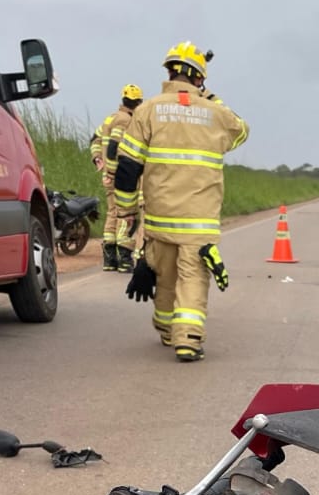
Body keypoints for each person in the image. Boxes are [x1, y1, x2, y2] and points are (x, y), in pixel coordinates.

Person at [113, 43, 248, 363]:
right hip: (199, 222)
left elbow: (128, 167)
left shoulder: (148, 109)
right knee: (193, 276)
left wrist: (127, 211)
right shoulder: (216, 113)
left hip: (160, 218)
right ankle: (187, 339)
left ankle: (164, 327)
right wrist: (210, 97)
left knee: (166, 275)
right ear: (200, 78)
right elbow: (241, 131)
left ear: (169, 71)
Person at [90, 83, 144, 272]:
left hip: (108, 175)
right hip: (120, 176)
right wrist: (113, 173)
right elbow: (113, 148)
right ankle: (125, 257)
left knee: (113, 213)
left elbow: (95, 140)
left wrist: (97, 159)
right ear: (138, 103)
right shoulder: (125, 120)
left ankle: (109, 259)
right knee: (127, 215)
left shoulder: (110, 118)